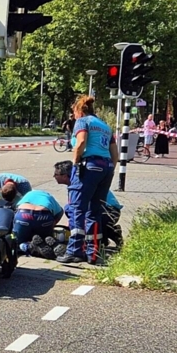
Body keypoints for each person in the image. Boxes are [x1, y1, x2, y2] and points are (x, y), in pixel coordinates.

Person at [59, 95, 119, 265]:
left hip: (89, 165)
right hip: (106, 167)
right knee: (95, 211)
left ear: (79, 110)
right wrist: (108, 170)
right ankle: (93, 253)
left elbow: (81, 142)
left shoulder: (82, 122)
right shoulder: (105, 126)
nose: (73, 116)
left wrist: (75, 162)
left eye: (74, 112)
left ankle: (75, 251)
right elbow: (114, 153)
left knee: (77, 208)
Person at [13, 167, 66, 255]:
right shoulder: (48, 196)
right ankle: (50, 244)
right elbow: (60, 212)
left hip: (23, 215)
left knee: (16, 243)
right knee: (44, 236)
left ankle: (28, 246)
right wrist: (52, 224)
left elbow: (15, 211)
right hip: (43, 216)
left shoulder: (27, 195)